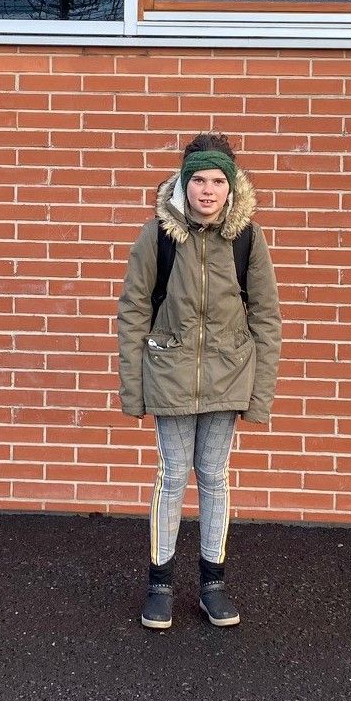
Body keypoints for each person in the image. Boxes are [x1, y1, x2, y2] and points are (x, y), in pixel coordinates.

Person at [116, 133, 281, 629]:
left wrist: (258, 395)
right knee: (171, 477)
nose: (208, 190)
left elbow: (266, 317)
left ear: (231, 188)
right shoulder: (158, 236)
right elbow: (134, 310)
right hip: (170, 374)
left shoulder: (247, 238)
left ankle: (213, 585)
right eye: (199, 180)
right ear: (184, 184)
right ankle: (160, 585)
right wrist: (133, 389)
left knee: (213, 477)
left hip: (228, 377)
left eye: (217, 181)